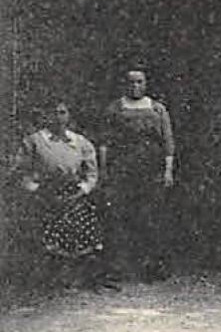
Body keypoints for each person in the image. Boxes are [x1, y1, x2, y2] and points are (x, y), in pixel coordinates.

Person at [14, 101, 109, 288]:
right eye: (53, 113)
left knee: (81, 231)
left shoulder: (80, 142)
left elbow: (92, 173)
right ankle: (49, 279)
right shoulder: (33, 141)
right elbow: (21, 171)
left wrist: (82, 190)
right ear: (45, 117)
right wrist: (35, 190)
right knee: (48, 235)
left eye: (62, 113)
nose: (58, 117)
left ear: (68, 115)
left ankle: (79, 278)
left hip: (74, 195)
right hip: (44, 195)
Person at [100, 67, 176, 281]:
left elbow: (167, 142)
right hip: (123, 170)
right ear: (125, 84)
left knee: (150, 217)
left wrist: (168, 170)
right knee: (121, 217)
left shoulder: (158, 109)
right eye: (131, 82)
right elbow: (105, 142)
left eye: (140, 82)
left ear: (146, 83)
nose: (135, 86)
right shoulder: (115, 109)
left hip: (150, 170)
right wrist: (105, 171)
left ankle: (151, 268)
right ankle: (118, 269)